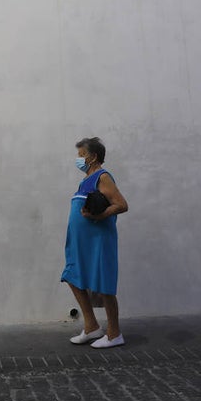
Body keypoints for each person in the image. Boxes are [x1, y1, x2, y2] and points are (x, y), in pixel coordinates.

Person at [61, 136, 129, 348]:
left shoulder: (103, 176)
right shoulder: (85, 180)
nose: (79, 159)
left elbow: (121, 204)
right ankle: (91, 327)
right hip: (81, 242)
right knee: (72, 275)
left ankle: (114, 333)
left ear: (94, 157)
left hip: (98, 239)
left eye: (82, 155)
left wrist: (99, 216)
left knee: (104, 283)